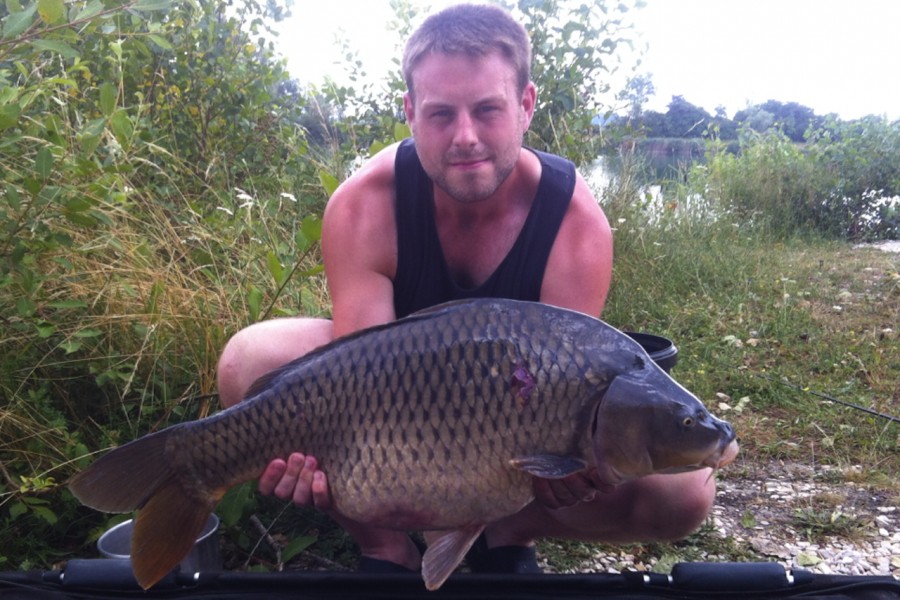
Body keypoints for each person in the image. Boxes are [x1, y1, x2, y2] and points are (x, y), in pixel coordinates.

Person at [217, 3, 734, 575]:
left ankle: (507, 532)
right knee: (250, 362)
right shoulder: (364, 205)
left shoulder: (575, 224)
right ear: (410, 113)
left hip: (507, 443)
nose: (465, 137)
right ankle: (383, 544)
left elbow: (562, 404)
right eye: (440, 115)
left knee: (684, 495)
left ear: (525, 106)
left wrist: (567, 469)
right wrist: (332, 469)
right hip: (395, 413)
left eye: (487, 110)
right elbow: (365, 388)